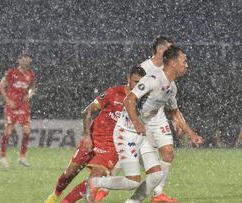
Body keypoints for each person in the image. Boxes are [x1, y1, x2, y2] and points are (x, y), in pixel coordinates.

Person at [86, 45, 203, 203]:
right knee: (132, 181)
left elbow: (174, 112)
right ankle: (96, 183)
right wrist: (136, 123)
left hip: (141, 134)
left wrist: (191, 134)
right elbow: (129, 99)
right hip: (126, 132)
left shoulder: (171, 87)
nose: (186, 64)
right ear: (173, 63)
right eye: (184, 60)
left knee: (156, 175)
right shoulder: (153, 79)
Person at [44, 66, 147, 203]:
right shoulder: (113, 93)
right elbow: (87, 111)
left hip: (111, 146)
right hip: (93, 138)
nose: (137, 86)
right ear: (128, 79)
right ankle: (55, 195)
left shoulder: (142, 102)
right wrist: (87, 136)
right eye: (135, 81)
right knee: (69, 173)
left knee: (94, 179)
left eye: (140, 83)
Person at [139, 35, 180, 202]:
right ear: (161, 49)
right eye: (170, 49)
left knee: (168, 153)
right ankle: (101, 187)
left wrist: (176, 119)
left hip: (159, 119)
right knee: (133, 160)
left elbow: (170, 97)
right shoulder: (143, 68)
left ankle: (158, 194)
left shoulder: (168, 70)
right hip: (141, 120)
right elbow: (132, 95)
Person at [0, 53, 36, 168]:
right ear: (19, 61)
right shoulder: (12, 72)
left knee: (27, 131)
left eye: (27, 60)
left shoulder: (31, 74)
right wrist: (7, 100)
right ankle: (2, 156)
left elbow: (33, 88)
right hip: (12, 105)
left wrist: (28, 96)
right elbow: (1, 86)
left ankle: (22, 157)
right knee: (8, 130)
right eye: (23, 60)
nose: (25, 62)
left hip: (23, 106)